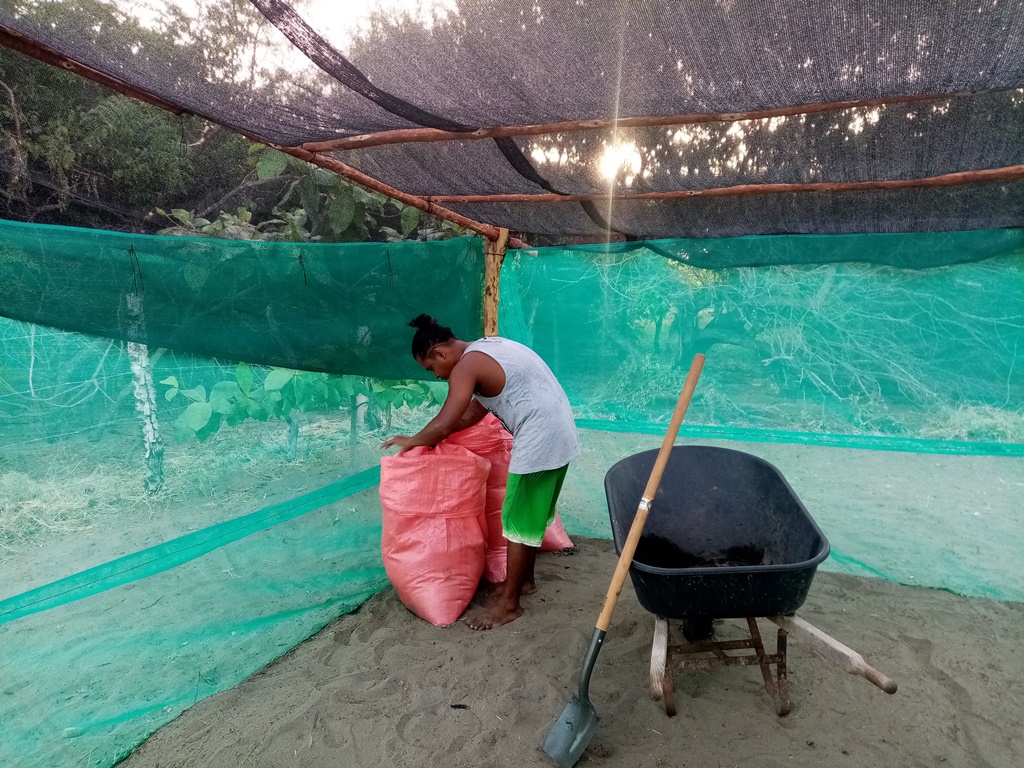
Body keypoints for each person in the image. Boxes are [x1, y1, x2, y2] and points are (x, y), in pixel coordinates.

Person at [383, 314, 581, 630]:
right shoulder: (491, 347)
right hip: (560, 433)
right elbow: (471, 414)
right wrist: (429, 437)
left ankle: (509, 606)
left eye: (432, 369)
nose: (438, 376)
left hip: (540, 439)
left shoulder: (467, 365)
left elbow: (447, 420)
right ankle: (525, 582)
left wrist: (413, 440)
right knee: (529, 518)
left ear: (440, 353)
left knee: (516, 522)